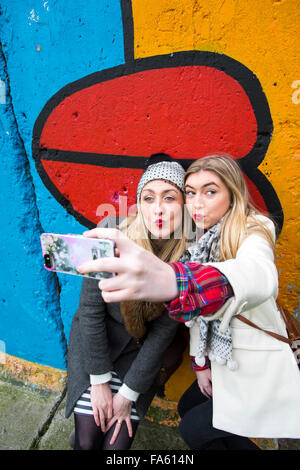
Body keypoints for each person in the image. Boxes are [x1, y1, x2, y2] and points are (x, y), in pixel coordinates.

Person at [78, 154, 300, 449]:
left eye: (210, 191)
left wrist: (179, 282)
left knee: (194, 431)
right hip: (219, 360)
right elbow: (197, 320)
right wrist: (199, 363)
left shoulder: (253, 229)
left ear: (233, 194)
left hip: (255, 362)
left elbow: (259, 274)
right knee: (187, 411)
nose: (197, 203)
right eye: (191, 193)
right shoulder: (193, 238)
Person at [66, 155, 232, 450]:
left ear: (183, 205)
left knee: (116, 447)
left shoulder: (189, 254)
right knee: (87, 440)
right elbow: (89, 314)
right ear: (138, 203)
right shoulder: (112, 231)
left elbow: (163, 334)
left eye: (169, 198)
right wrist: (100, 382)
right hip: (94, 348)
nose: (157, 209)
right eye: (148, 198)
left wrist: (127, 394)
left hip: (138, 356)